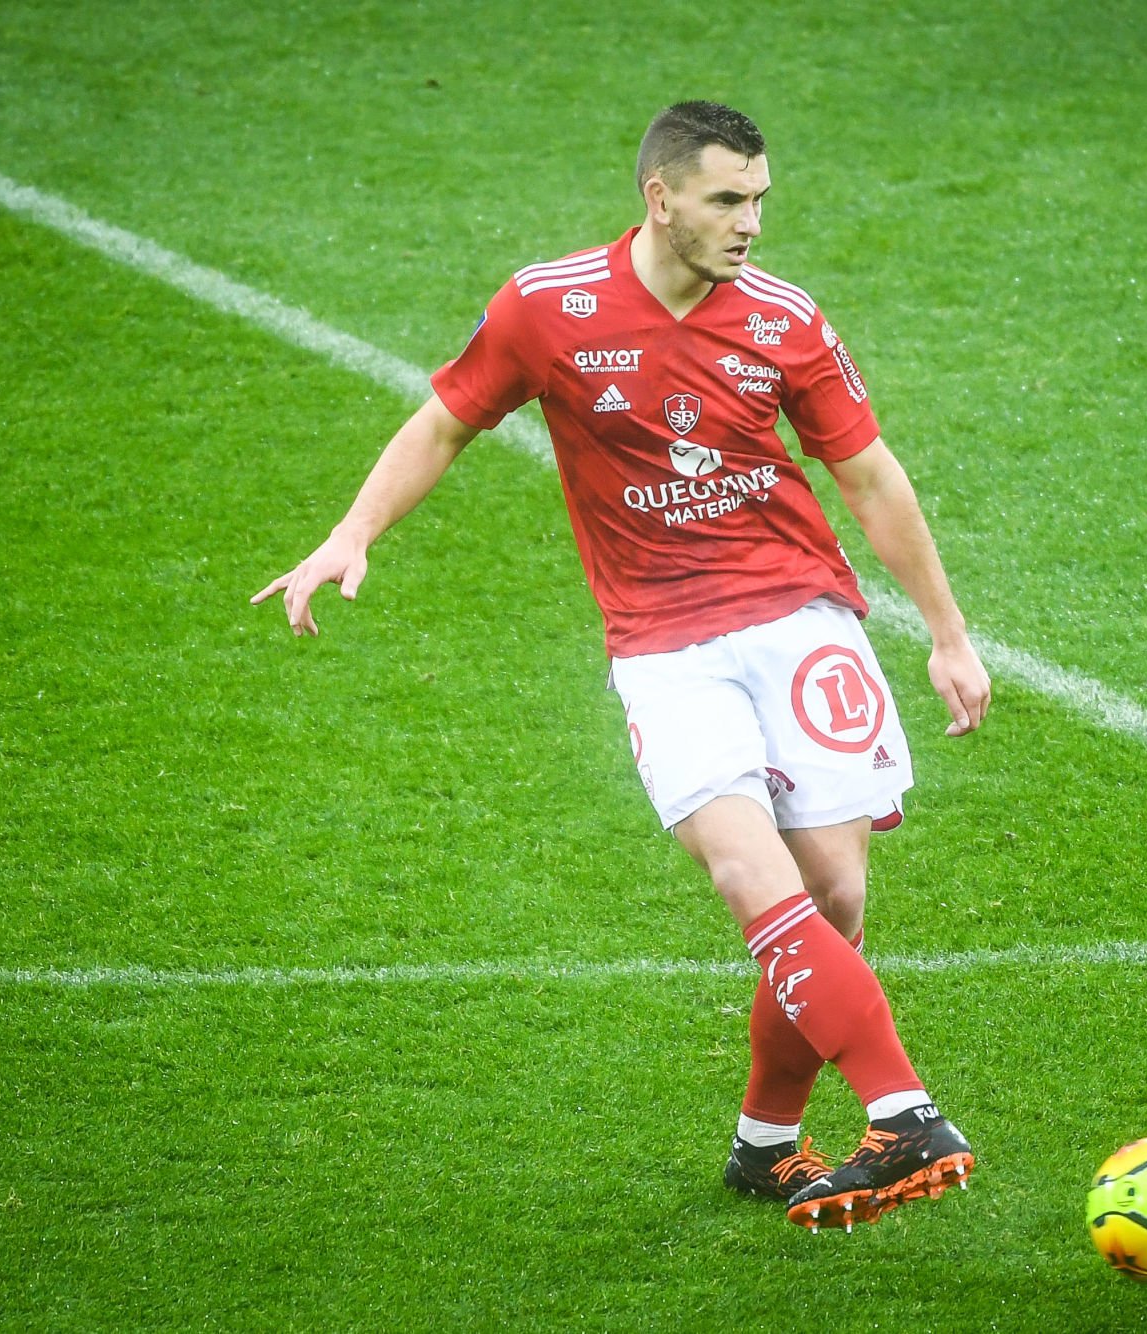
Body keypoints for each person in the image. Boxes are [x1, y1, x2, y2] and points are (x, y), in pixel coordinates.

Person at [253, 100, 991, 1232]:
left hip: (800, 619)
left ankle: (763, 1146)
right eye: (726, 200)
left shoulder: (785, 318)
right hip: (663, 647)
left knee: (834, 900)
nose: (750, 222)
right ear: (660, 197)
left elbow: (869, 474)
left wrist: (946, 631)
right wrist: (352, 532)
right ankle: (904, 1113)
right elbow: (445, 420)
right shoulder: (548, 306)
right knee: (750, 874)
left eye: (759, 199)